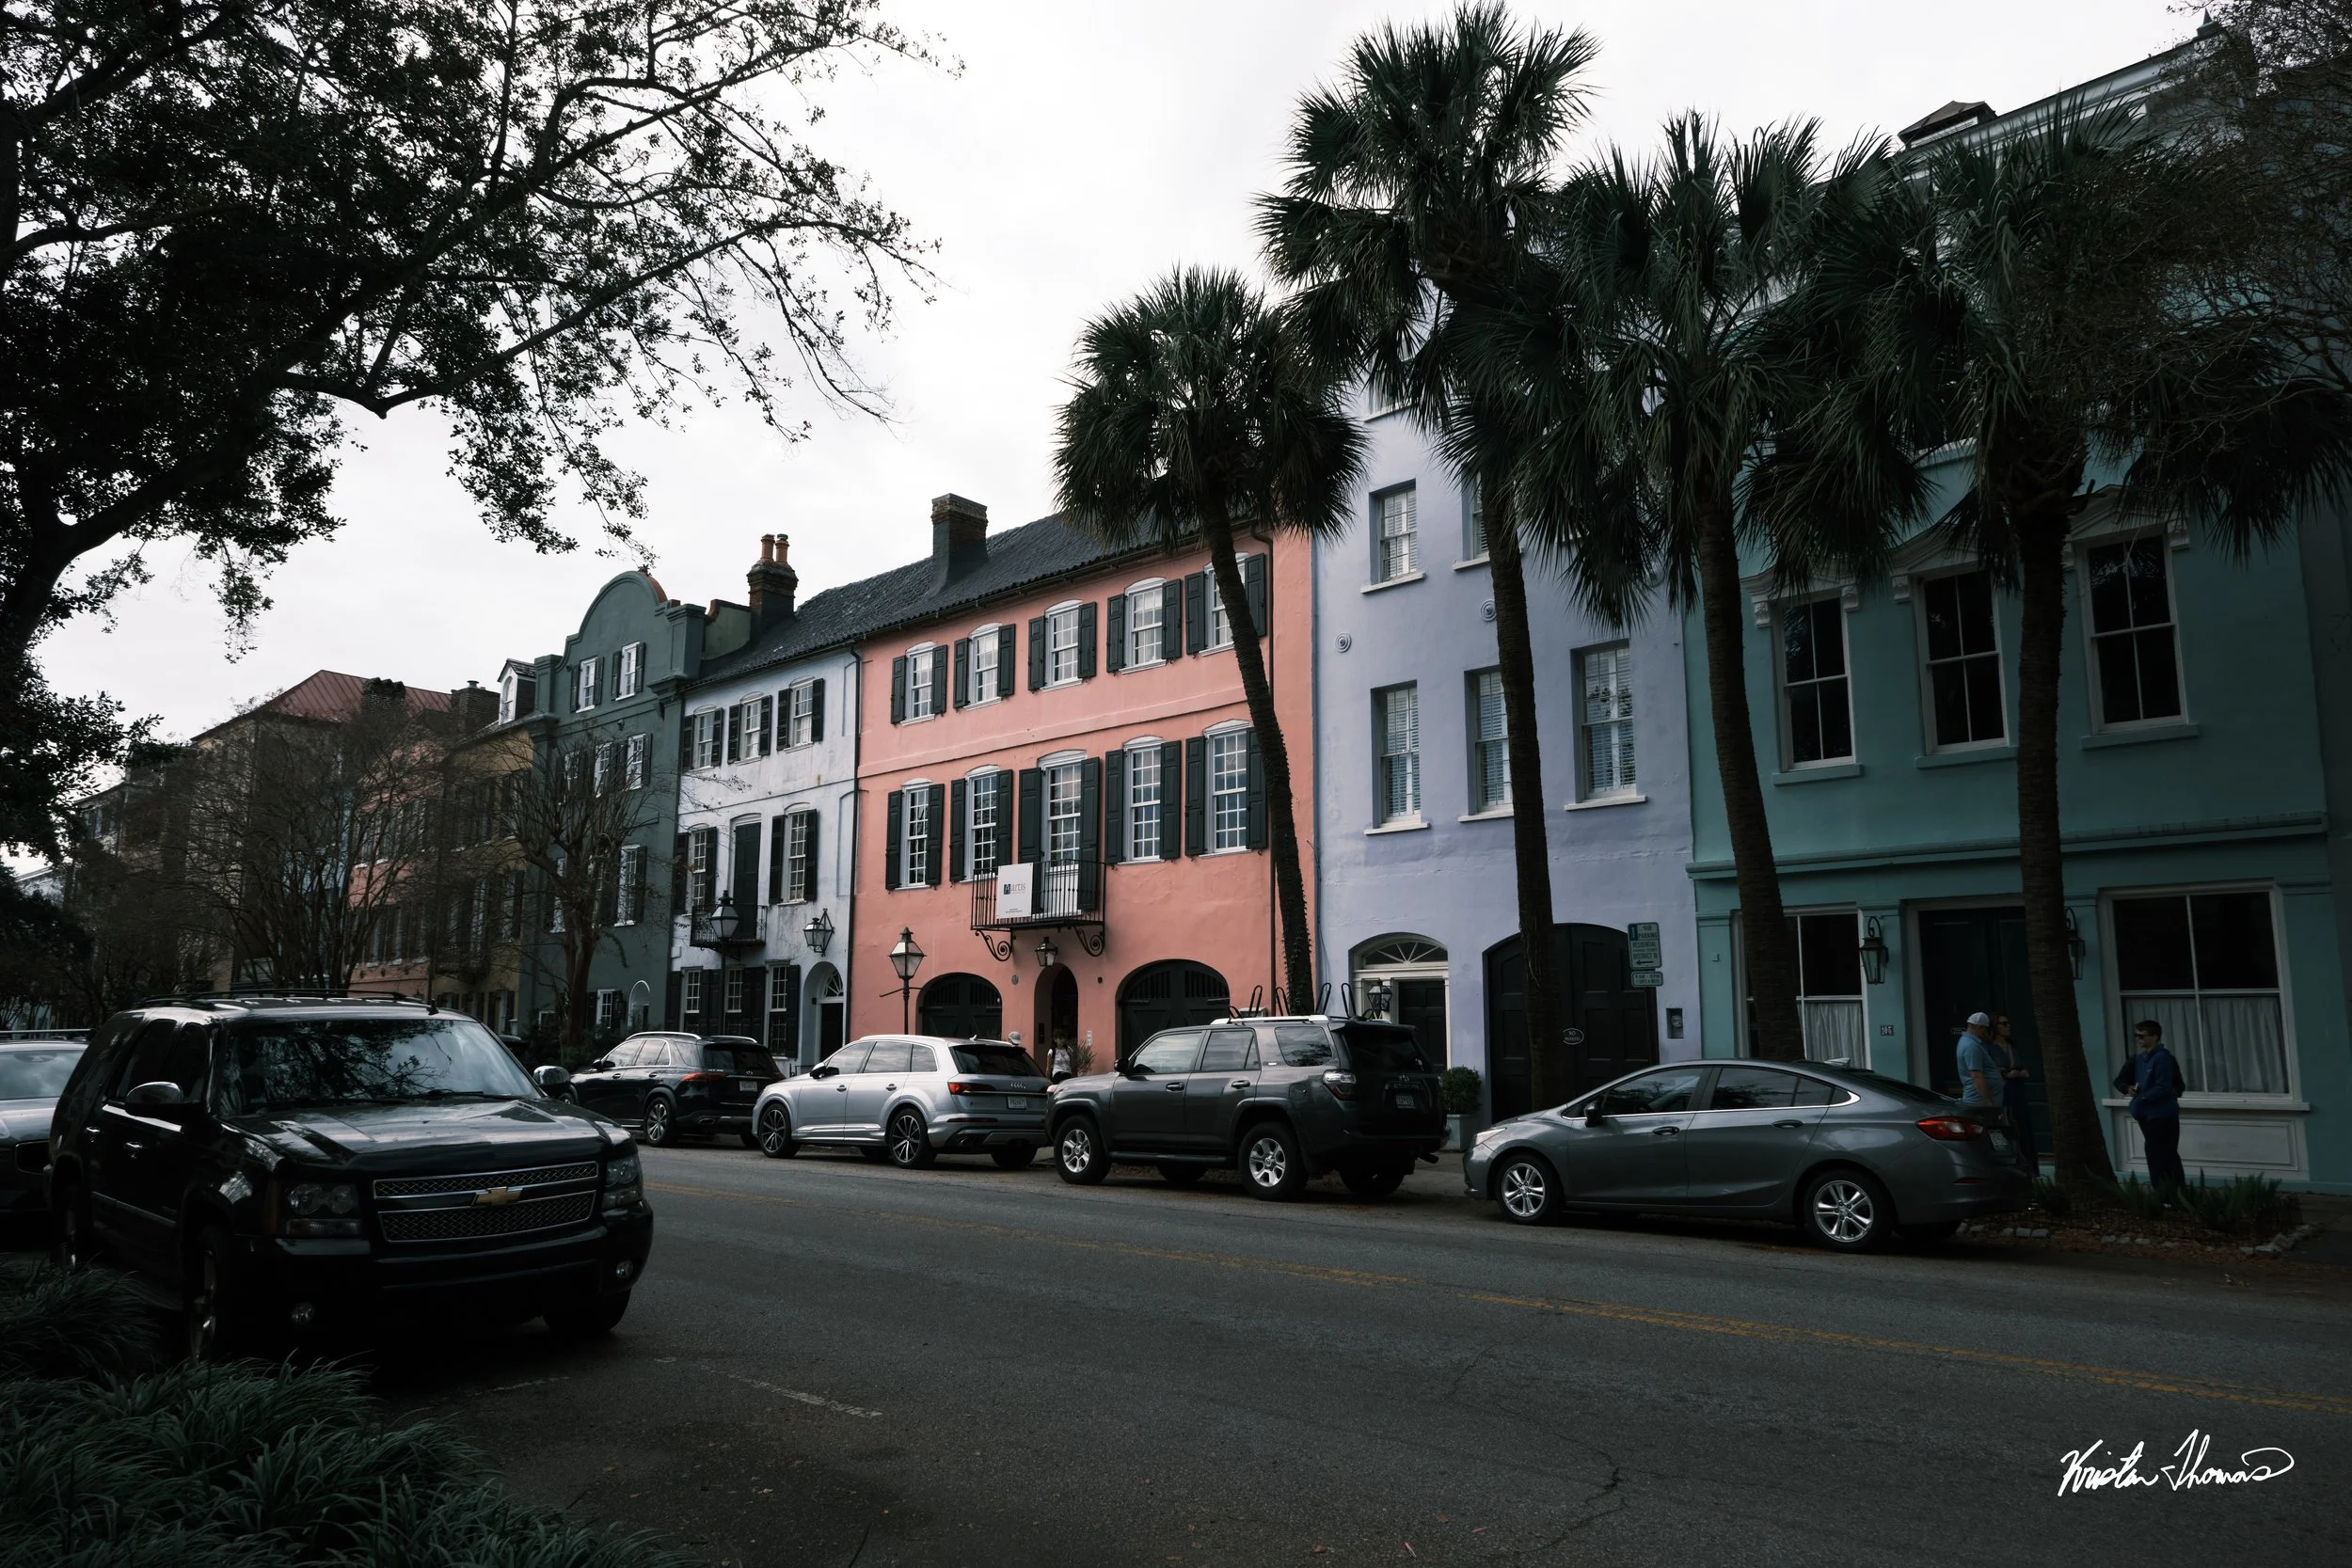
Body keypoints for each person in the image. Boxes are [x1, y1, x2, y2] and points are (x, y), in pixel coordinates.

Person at [2113, 1019, 2186, 1201]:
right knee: (2159, 1154)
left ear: (2154, 1037)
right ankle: (2170, 1195)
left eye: (2142, 1036)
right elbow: (2119, 1080)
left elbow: (2171, 1085)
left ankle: (2169, 1197)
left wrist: (2142, 1099)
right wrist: (2128, 1089)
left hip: (2162, 1115)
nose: (2138, 1039)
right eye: (2136, 1035)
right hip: (2147, 1115)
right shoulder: (2137, 1060)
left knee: (2163, 1155)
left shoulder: (2163, 1058)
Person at [1993, 1013, 2038, 1173]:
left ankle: (2029, 1166)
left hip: (2018, 1090)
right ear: (1995, 1027)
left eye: (2008, 1023)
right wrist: (2003, 1073)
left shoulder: (2013, 1047)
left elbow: (2026, 1071)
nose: (2007, 1026)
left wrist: (2016, 1074)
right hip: (2003, 1091)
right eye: (2003, 1024)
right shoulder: (1990, 1048)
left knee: (2023, 1126)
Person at [1954, 1012, 2004, 1114]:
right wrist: (1988, 1102)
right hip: (1979, 1102)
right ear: (1979, 1027)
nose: (1986, 1032)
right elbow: (1976, 1076)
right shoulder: (1971, 1046)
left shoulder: (1972, 1043)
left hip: (1980, 1101)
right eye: (1985, 1029)